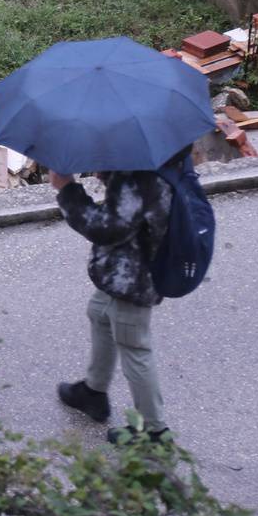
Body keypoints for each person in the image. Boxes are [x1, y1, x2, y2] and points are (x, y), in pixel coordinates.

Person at [48, 161, 177, 444]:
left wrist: (68, 190)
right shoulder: (153, 159)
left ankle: (154, 432)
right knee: (100, 314)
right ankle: (93, 392)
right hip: (125, 269)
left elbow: (106, 228)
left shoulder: (140, 177)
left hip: (135, 276)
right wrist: (109, 175)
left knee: (135, 346)